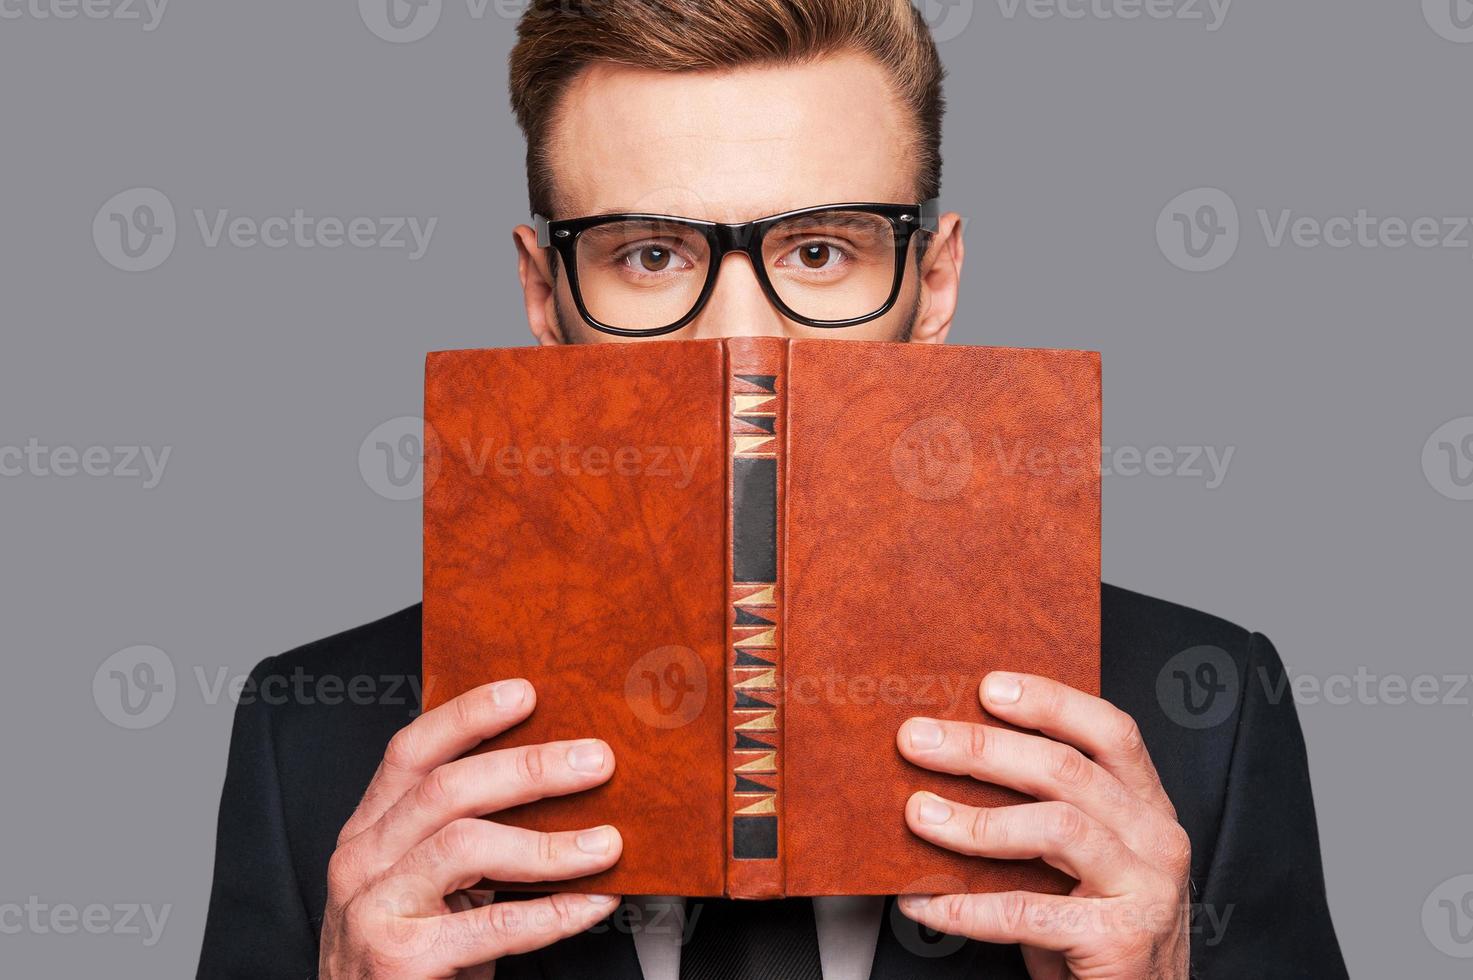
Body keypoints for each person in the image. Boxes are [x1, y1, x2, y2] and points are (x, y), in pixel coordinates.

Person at [197, 2, 1346, 977]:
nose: (738, 336)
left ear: (934, 283)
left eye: (820, 252)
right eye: (648, 255)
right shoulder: (316, 740)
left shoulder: (1205, 723)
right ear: (545, 297)